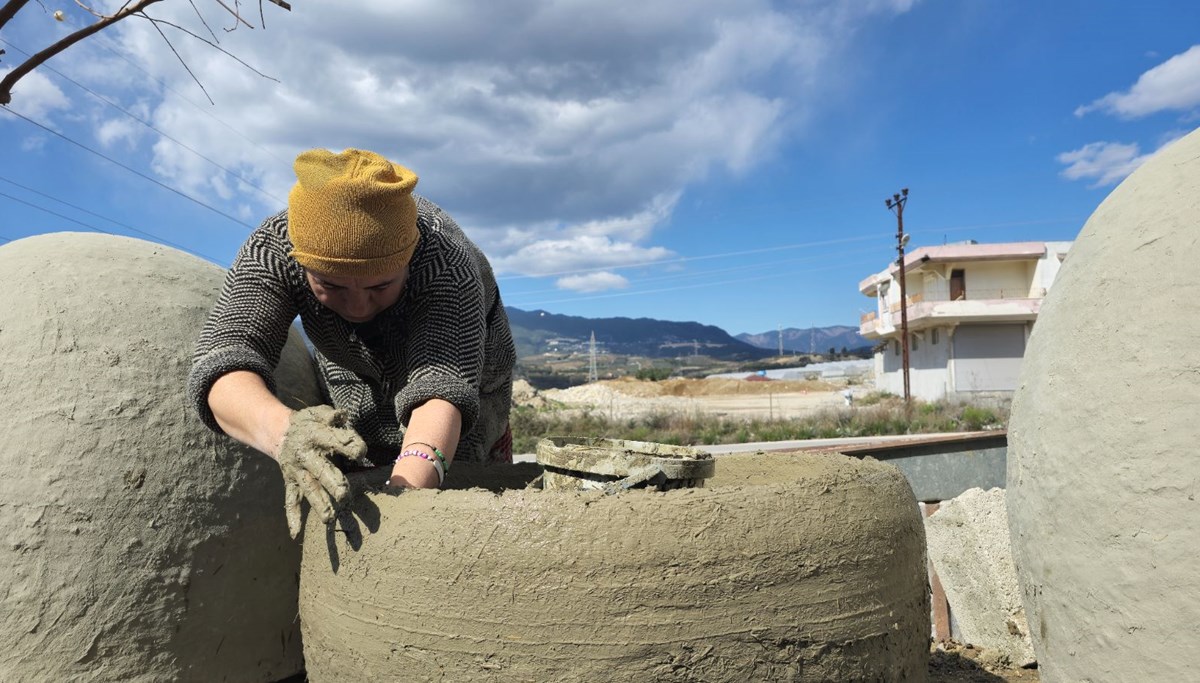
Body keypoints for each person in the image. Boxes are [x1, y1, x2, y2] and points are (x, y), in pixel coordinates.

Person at [186, 148, 516, 538]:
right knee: (352, 491)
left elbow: (441, 391)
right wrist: (284, 433)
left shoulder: (444, 261)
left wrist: (405, 498)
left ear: (408, 262)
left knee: (456, 518)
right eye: (329, 285)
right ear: (302, 264)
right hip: (355, 384)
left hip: (467, 401)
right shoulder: (274, 248)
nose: (357, 305)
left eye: (381, 285)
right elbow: (225, 357)